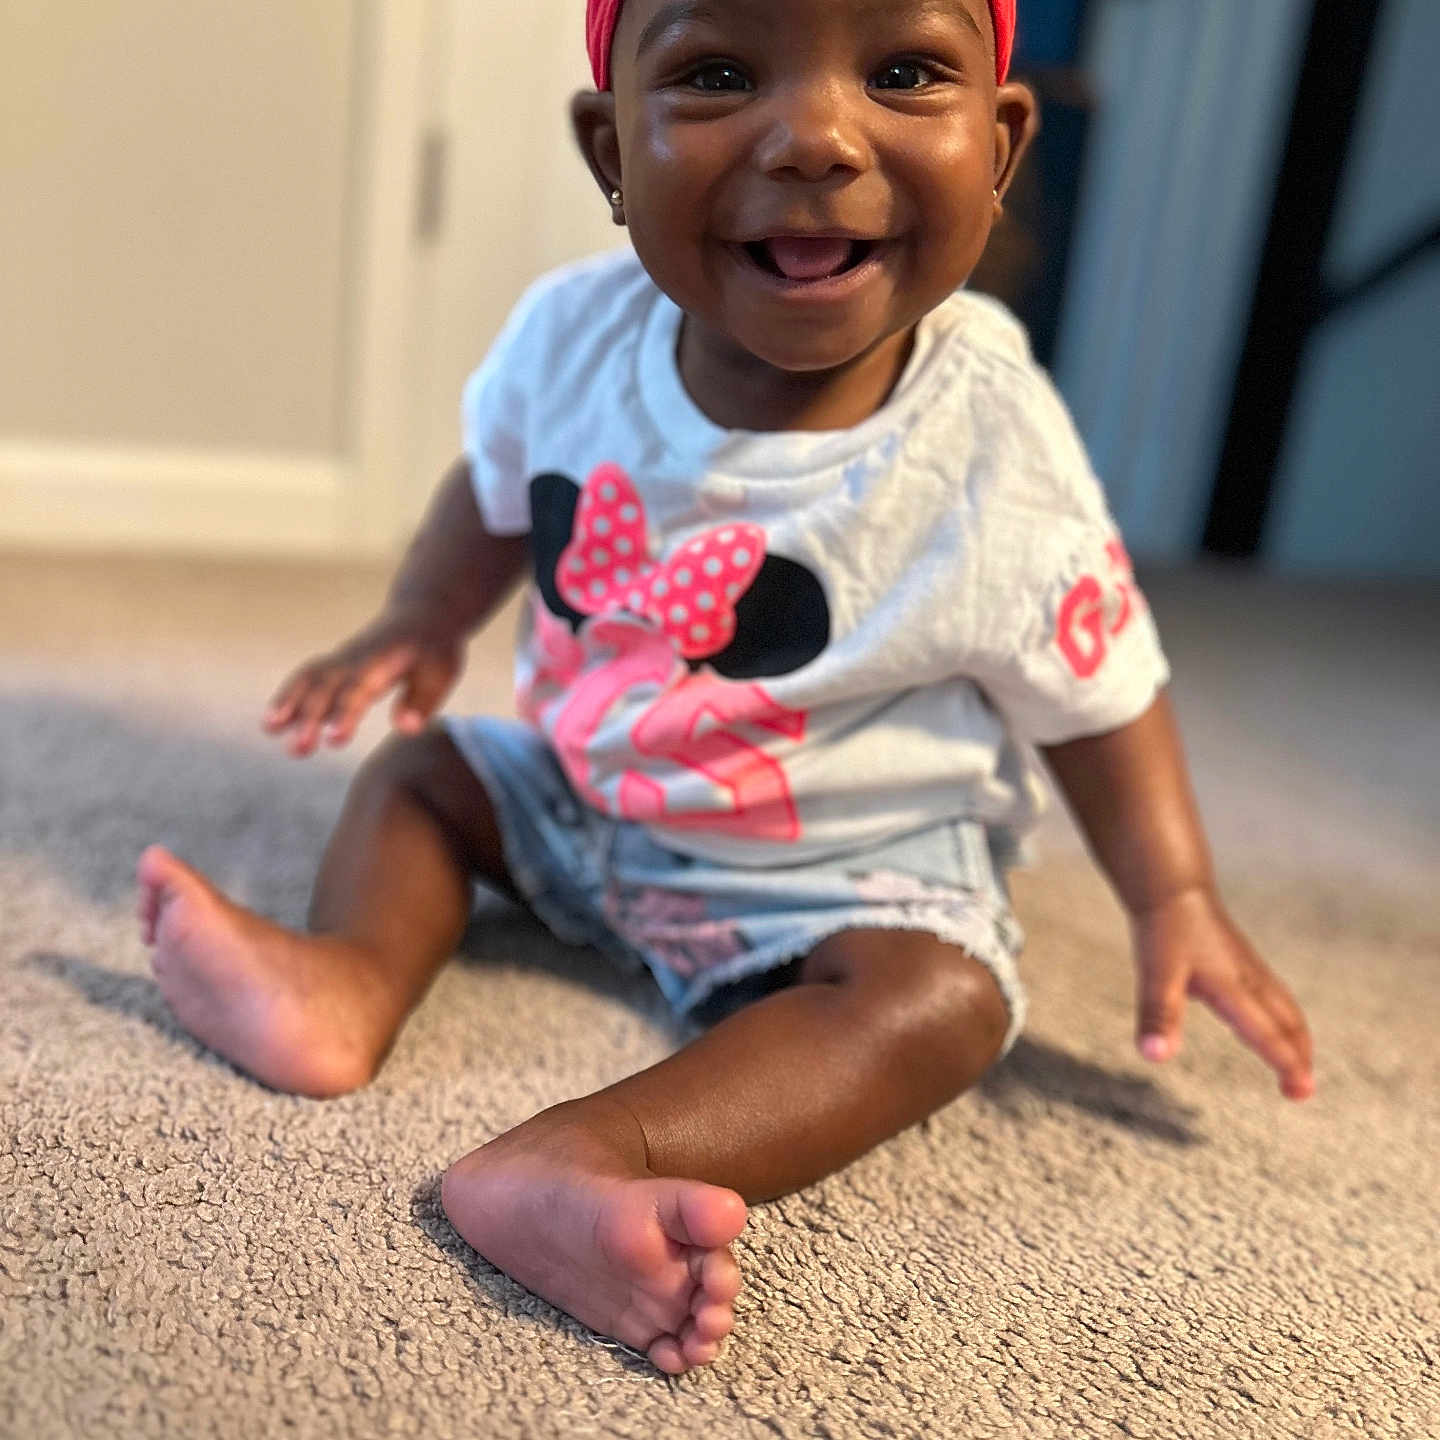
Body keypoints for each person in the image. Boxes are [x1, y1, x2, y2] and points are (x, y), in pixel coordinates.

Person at [136, 0, 1315, 1377]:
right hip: (588, 800)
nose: (816, 134)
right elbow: (500, 492)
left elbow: (1098, 679)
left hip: (842, 877)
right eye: (713, 73)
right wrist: (418, 617)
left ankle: (592, 1153)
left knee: (945, 1001)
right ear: (609, 152)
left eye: (901, 71)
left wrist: (1173, 893)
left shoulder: (990, 432)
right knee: (422, 775)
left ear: (997, 145)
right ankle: (340, 985)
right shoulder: (570, 335)